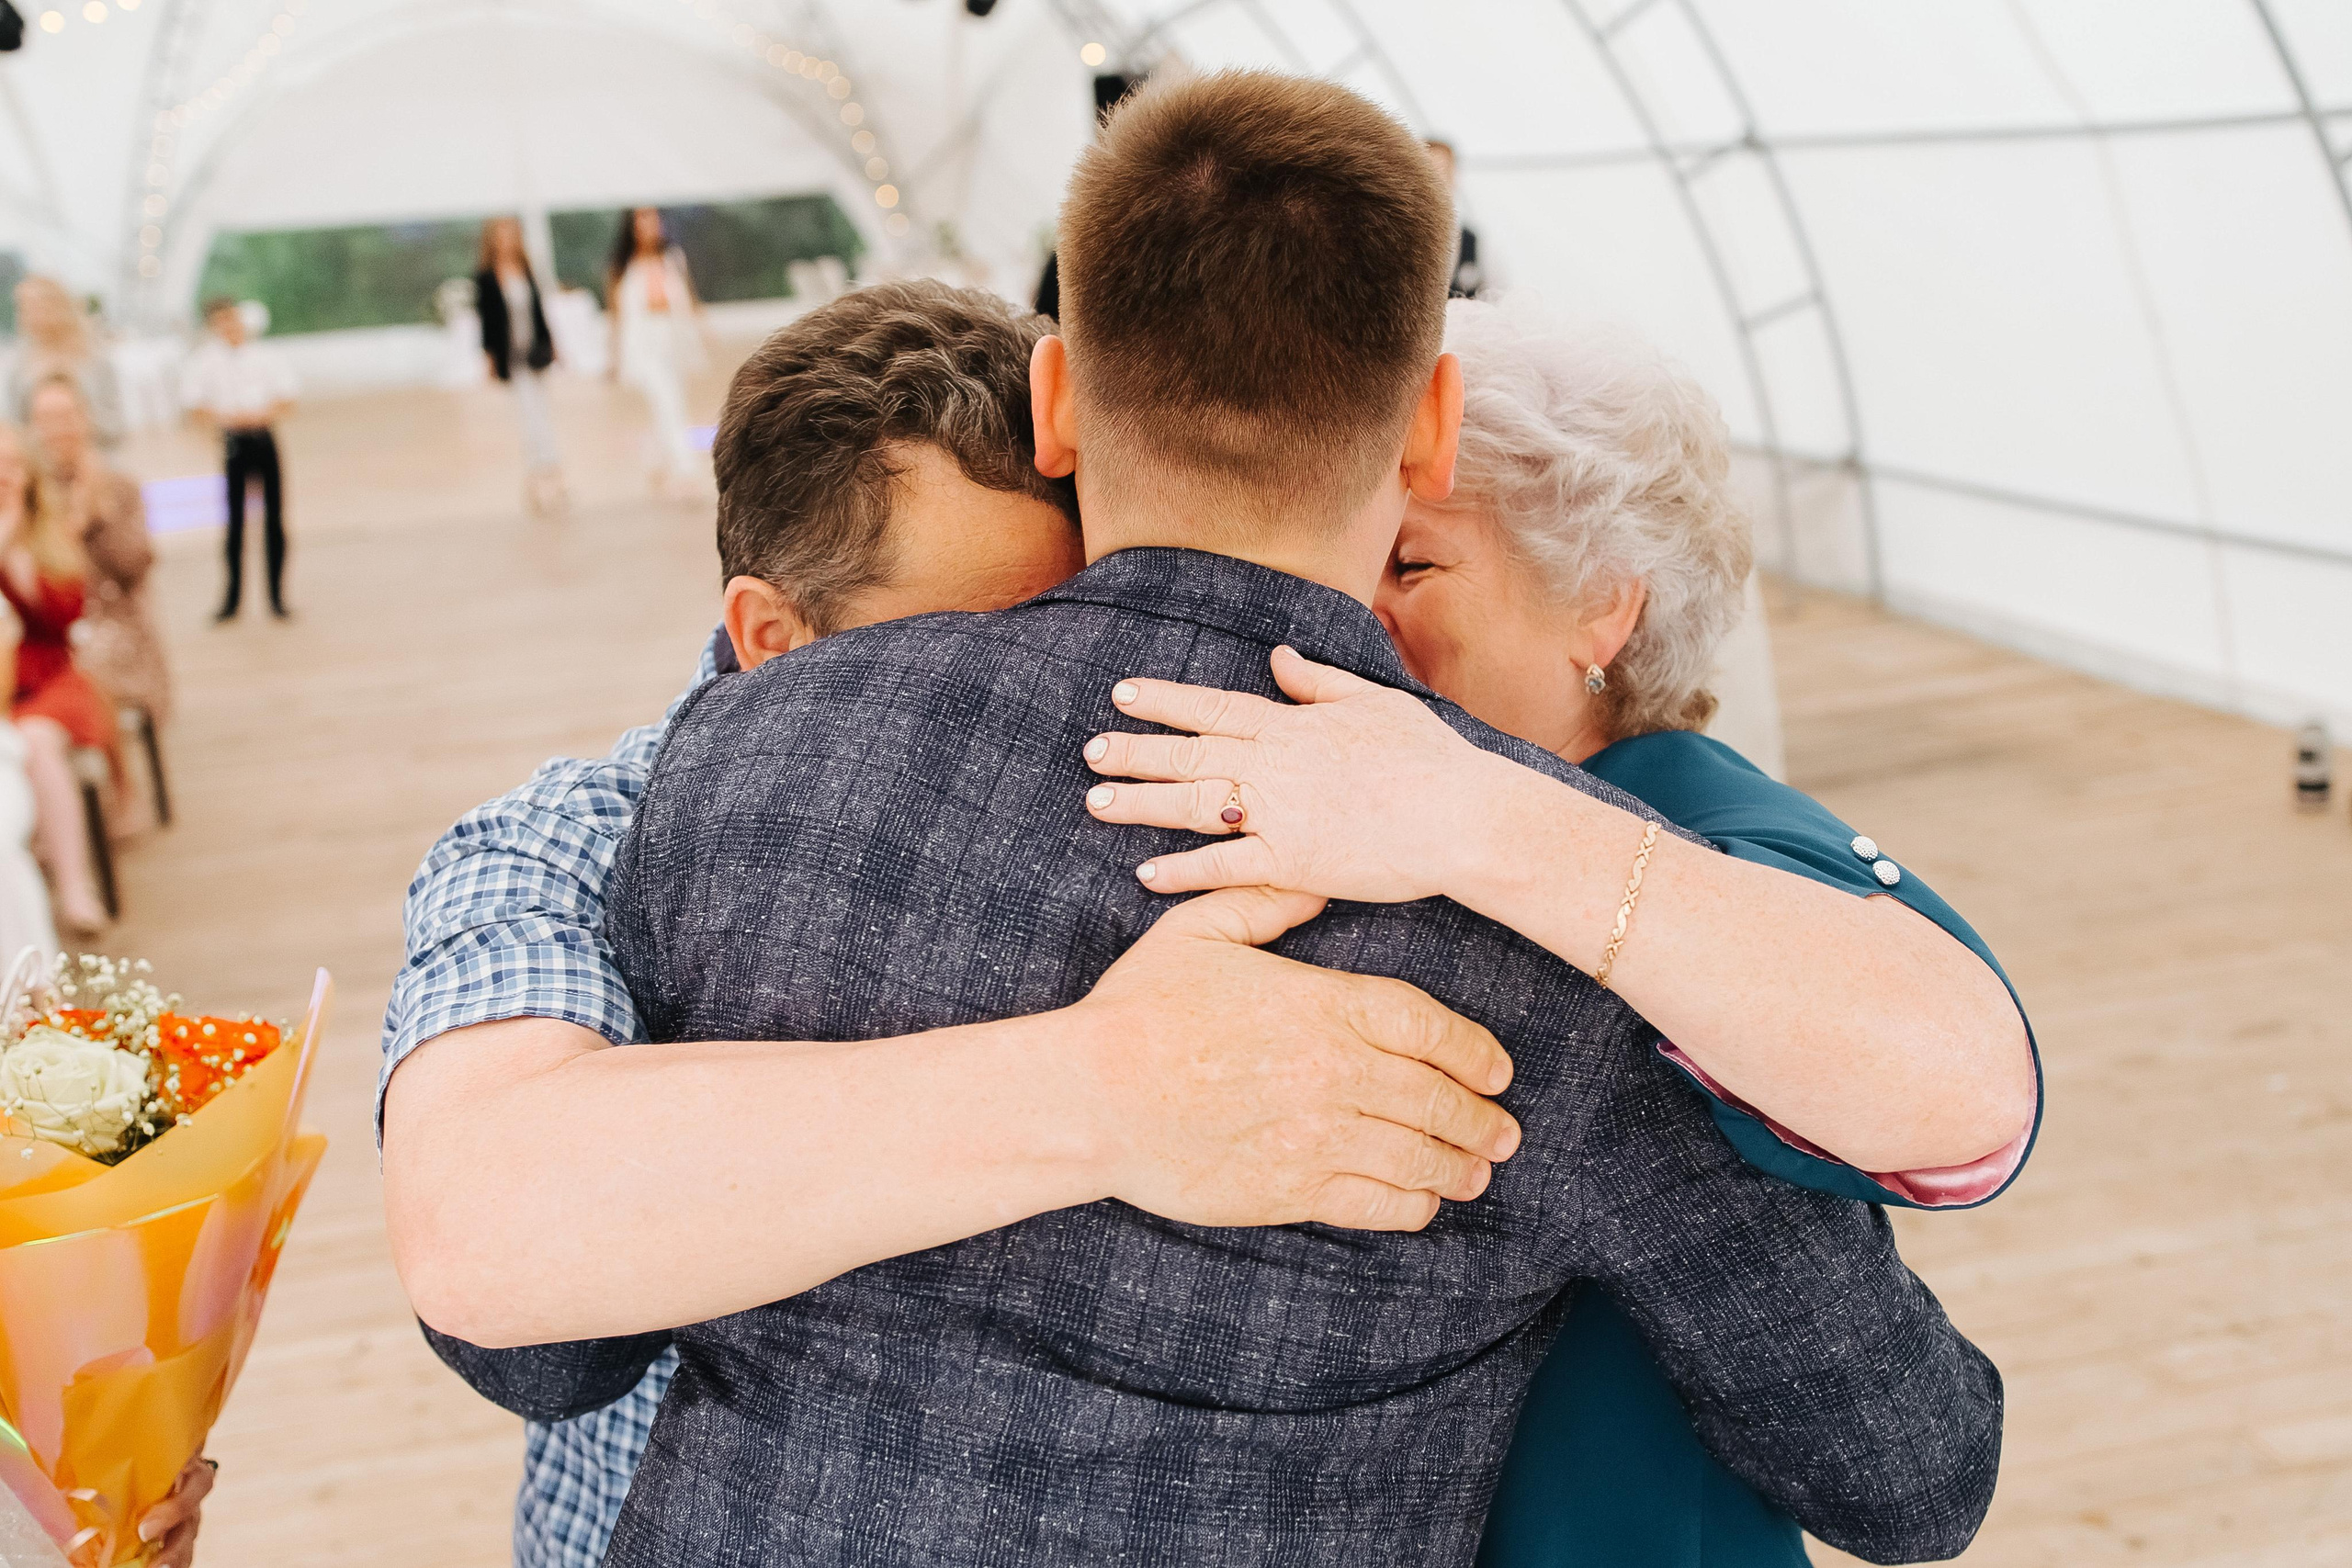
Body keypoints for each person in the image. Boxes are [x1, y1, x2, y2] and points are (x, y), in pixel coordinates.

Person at [408, 73, 2005, 1568]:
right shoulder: (1543, 932)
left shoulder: (730, 767)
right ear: (1431, 425)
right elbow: (1909, 1467)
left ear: (1053, 402)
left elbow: (541, 1346)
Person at [383, 280, 1522, 1568]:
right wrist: (1112, 1085)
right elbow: (493, 1239)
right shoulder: (578, 839)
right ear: (771, 634)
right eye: (973, 636)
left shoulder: (1219, 792)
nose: (1037, 684)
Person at [1077, 299, 2041, 1568]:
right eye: (1343, 560)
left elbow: (1961, 1098)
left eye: (1410, 566)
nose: (1350, 616)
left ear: (1603, 607)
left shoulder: (1725, 838)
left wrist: (1464, 804)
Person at [0, 421, 114, 935]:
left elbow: (65, 614)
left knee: (35, 743)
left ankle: (73, 887)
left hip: (49, 681)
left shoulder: (47, 532)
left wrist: (9, 549)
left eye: (11, 464)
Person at [25, 376, 171, 732]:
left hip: (113, 627)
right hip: (53, 631)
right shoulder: (27, 495)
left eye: (66, 416)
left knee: (89, 676)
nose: (59, 429)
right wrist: (68, 527)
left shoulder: (118, 486)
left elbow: (134, 568)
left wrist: (99, 515)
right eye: (47, 418)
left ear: (85, 418)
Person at [181, 299, 296, 621]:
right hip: (233, 441)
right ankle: (232, 600)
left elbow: (287, 398)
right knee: (234, 524)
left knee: (274, 518)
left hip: (263, 437)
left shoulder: (266, 356)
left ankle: (276, 597)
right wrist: (227, 419)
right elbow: (194, 405)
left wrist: (259, 415)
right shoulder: (204, 362)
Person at [605, 208, 706, 495]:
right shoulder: (622, 267)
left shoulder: (673, 260)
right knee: (667, 400)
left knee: (672, 401)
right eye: (642, 220)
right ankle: (685, 470)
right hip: (642, 344)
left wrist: (701, 331)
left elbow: (689, 298)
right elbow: (616, 315)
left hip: (672, 340)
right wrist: (613, 356)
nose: (650, 225)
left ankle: (658, 462)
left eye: (653, 218)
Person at [475, 217, 569, 516]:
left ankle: (548, 476)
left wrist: (554, 345)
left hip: (535, 353)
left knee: (542, 413)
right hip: (511, 359)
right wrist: (489, 360)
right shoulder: (487, 278)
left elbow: (539, 312)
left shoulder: (525, 271)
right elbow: (488, 324)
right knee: (530, 417)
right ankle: (542, 477)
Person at [6, 276, 127, 445]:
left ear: (58, 305)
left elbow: (116, 426)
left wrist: (72, 423)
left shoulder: (95, 360)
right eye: (24, 307)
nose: (30, 314)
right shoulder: (19, 364)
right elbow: (15, 426)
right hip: (43, 464)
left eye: (37, 305)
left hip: (93, 457)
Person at [1426, 139, 1484, 299]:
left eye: (1442, 172)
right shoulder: (1395, 240)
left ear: (1454, 177)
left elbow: (1500, 299)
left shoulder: (1475, 244)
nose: (1437, 182)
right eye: (1429, 172)